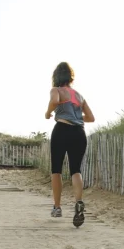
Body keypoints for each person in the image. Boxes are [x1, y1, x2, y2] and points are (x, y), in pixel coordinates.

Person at [45, 62, 95, 227]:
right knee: (75, 170)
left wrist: (48, 112)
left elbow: (54, 101)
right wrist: (77, 116)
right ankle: (78, 202)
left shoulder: (56, 90)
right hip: (79, 133)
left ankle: (57, 207)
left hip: (62, 130)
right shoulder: (79, 96)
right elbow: (91, 118)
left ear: (57, 76)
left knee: (56, 170)